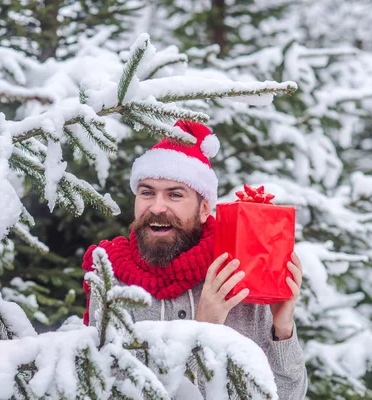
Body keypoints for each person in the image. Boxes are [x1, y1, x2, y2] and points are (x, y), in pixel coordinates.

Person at [82, 119, 308, 399]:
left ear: (203, 209)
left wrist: (282, 329)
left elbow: (286, 395)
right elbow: (101, 388)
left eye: (175, 194)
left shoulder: (236, 276)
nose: (157, 207)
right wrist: (203, 330)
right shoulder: (110, 277)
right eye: (147, 192)